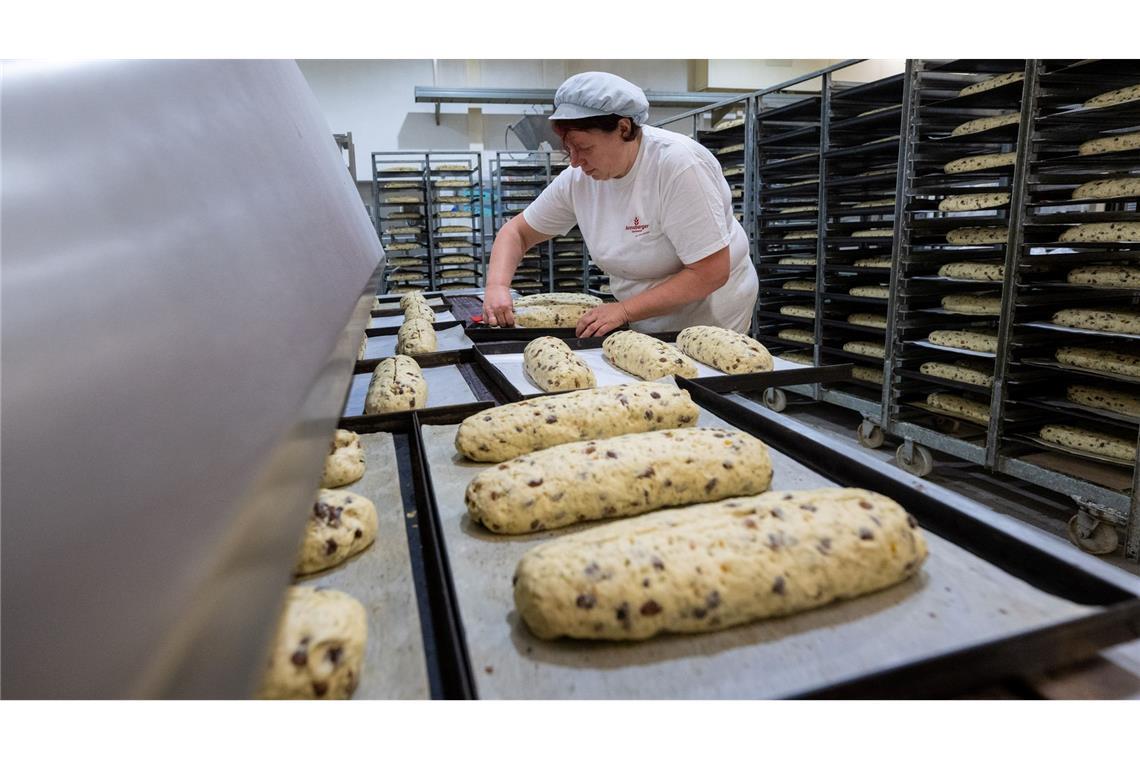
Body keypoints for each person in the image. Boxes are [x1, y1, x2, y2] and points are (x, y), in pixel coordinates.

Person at [482, 71, 758, 338]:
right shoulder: (578, 180)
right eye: (569, 149)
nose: (575, 161)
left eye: (585, 148)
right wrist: (496, 286)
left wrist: (625, 310)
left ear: (624, 128)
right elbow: (517, 232)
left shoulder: (679, 165)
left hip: (708, 314)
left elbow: (710, 272)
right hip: (640, 315)